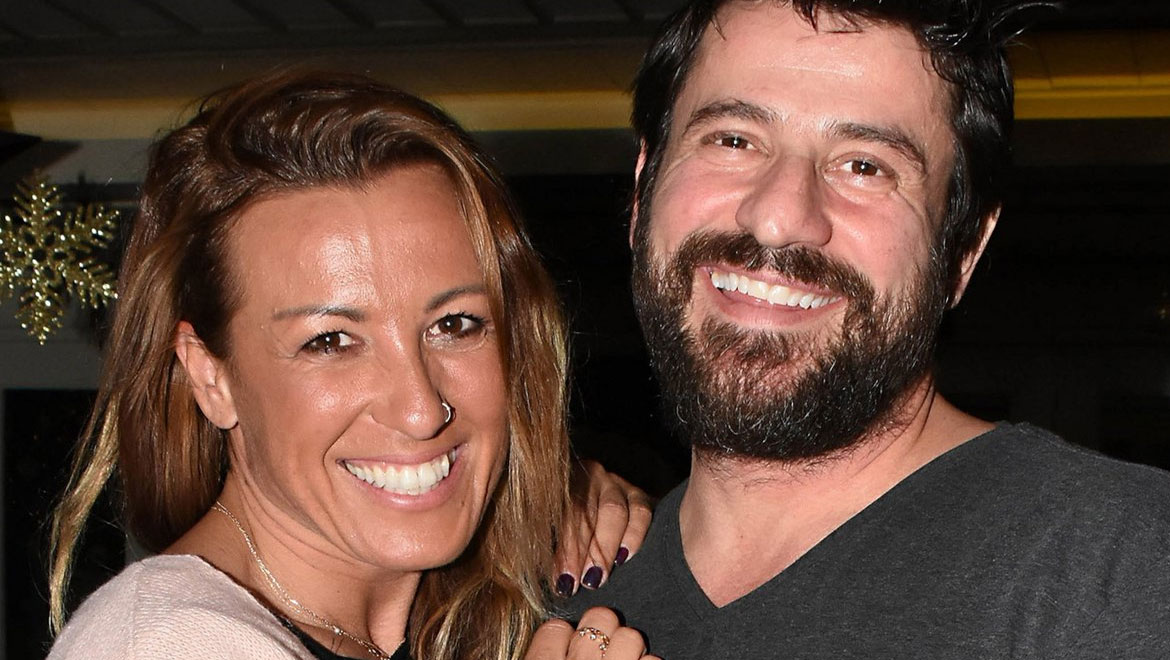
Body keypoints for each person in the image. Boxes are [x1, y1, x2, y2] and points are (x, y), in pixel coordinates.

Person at [565, 0, 1170, 657]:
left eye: (865, 166)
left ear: (963, 252)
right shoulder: (546, 601)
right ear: (642, 189)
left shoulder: (1127, 567)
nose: (778, 217)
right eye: (733, 140)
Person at [47, 71, 656, 660]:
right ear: (211, 378)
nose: (421, 411)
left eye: (454, 325)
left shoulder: (451, 618)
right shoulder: (166, 644)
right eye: (331, 341)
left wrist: (552, 495)